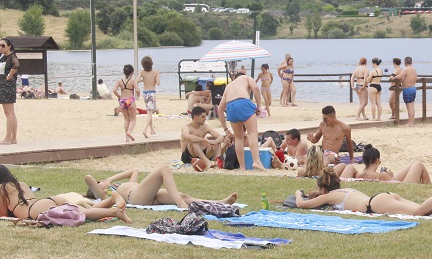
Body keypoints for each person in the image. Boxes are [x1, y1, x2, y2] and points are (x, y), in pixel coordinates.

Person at [295, 167, 432, 218]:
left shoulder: (329, 196)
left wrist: (298, 192)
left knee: (418, 211)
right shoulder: (345, 189)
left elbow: (301, 204)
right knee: (424, 210)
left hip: (376, 204)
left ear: (324, 189)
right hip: (383, 197)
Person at [0, 164, 131, 224]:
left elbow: (3, 214)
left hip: (34, 210)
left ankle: (114, 212)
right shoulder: (21, 184)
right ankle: (111, 200)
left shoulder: (1, 189)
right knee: (86, 211)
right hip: (46, 201)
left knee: (81, 215)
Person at [84, 166, 237, 209]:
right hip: (134, 197)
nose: (103, 181)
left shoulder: (116, 185)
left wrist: (111, 179)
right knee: (164, 169)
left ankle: (220, 203)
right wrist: (103, 185)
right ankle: (180, 204)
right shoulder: (104, 195)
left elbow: (134, 171)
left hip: (145, 194)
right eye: (100, 182)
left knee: (183, 196)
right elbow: (88, 178)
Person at [218, 74, 263, 170]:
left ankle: (242, 166)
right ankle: (256, 161)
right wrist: (259, 105)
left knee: (238, 138)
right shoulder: (246, 77)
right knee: (253, 133)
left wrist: (225, 129)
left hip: (230, 106)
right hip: (243, 102)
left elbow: (220, 110)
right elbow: (255, 88)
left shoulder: (228, 86)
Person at [356, 144, 431, 184]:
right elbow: (394, 184)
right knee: (418, 165)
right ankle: (429, 187)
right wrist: (390, 175)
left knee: (412, 166)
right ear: (377, 161)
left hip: (388, 182)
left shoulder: (359, 175)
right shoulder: (382, 175)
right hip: (403, 187)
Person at [113, 64, 140, 142]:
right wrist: (138, 95)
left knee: (126, 120)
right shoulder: (133, 81)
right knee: (133, 119)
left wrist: (119, 96)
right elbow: (137, 90)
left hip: (122, 101)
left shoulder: (119, 81)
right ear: (132, 73)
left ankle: (127, 138)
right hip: (130, 100)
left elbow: (114, 90)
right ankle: (129, 132)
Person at [0, 38, 20, 144]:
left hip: (7, 86)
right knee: (11, 112)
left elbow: (16, 65)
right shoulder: (3, 57)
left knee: (8, 112)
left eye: (3, 45)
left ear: (9, 46)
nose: (1, 47)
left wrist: (10, 75)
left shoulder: (12, 56)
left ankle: (8, 138)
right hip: (3, 85)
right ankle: (13, 138)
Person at [138, 55, 160, 138]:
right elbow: (158, 83)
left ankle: (152, 129)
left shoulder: (142, 73)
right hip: (152, 93)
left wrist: (143, 79)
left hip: (145, 93)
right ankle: (145, 130)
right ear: (152, 64)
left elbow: (137, 80)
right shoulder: (155, 72)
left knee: (149, 110)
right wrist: (155, 79)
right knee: (150, 112)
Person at [395, 56, 418, 126]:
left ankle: (410, 122)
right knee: (412, 105)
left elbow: (399, 76)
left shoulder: (406, 69)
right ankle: (412, 121)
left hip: (408, 89)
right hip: (413, 88)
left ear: (405, 62)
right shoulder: (414, 69)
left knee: (409, 106)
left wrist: (394, 77)